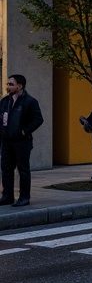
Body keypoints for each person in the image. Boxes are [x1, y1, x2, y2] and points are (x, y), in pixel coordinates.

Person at [1, 74, 44, 207]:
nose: (8, 87)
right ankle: (7, 196)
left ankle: (24, 197)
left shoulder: (29, 101)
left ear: (19, 86)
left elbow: (38, 119)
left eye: (11, 84)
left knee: (23, 169)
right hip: (7, 141)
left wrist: (24, 131)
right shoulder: (5, 101)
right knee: (6, 169)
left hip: (22, 142)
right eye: (8, 84)